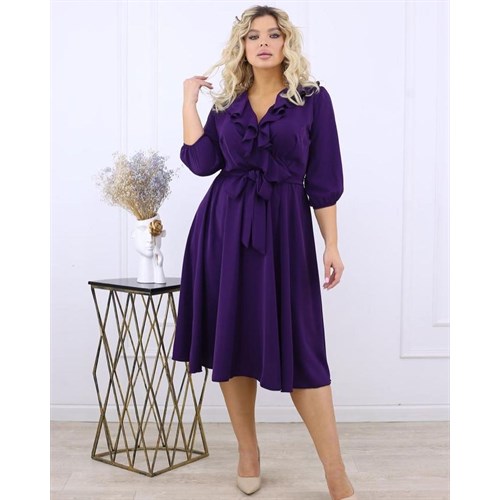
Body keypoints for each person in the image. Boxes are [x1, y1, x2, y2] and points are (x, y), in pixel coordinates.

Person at [171, 5, 356, 499]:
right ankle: (248, 451)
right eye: (253, 36)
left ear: (286, 42)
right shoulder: (227, 101)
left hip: (285, 233)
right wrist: (188, 101)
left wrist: (331, 243)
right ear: (243, 46)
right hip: (223, 230)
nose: (264, 43)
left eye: (273, 35)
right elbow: (202, 162)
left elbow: (324, 178)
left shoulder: (312, 100)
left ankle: (335, 470)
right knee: (230, 341)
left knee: (303, 349)